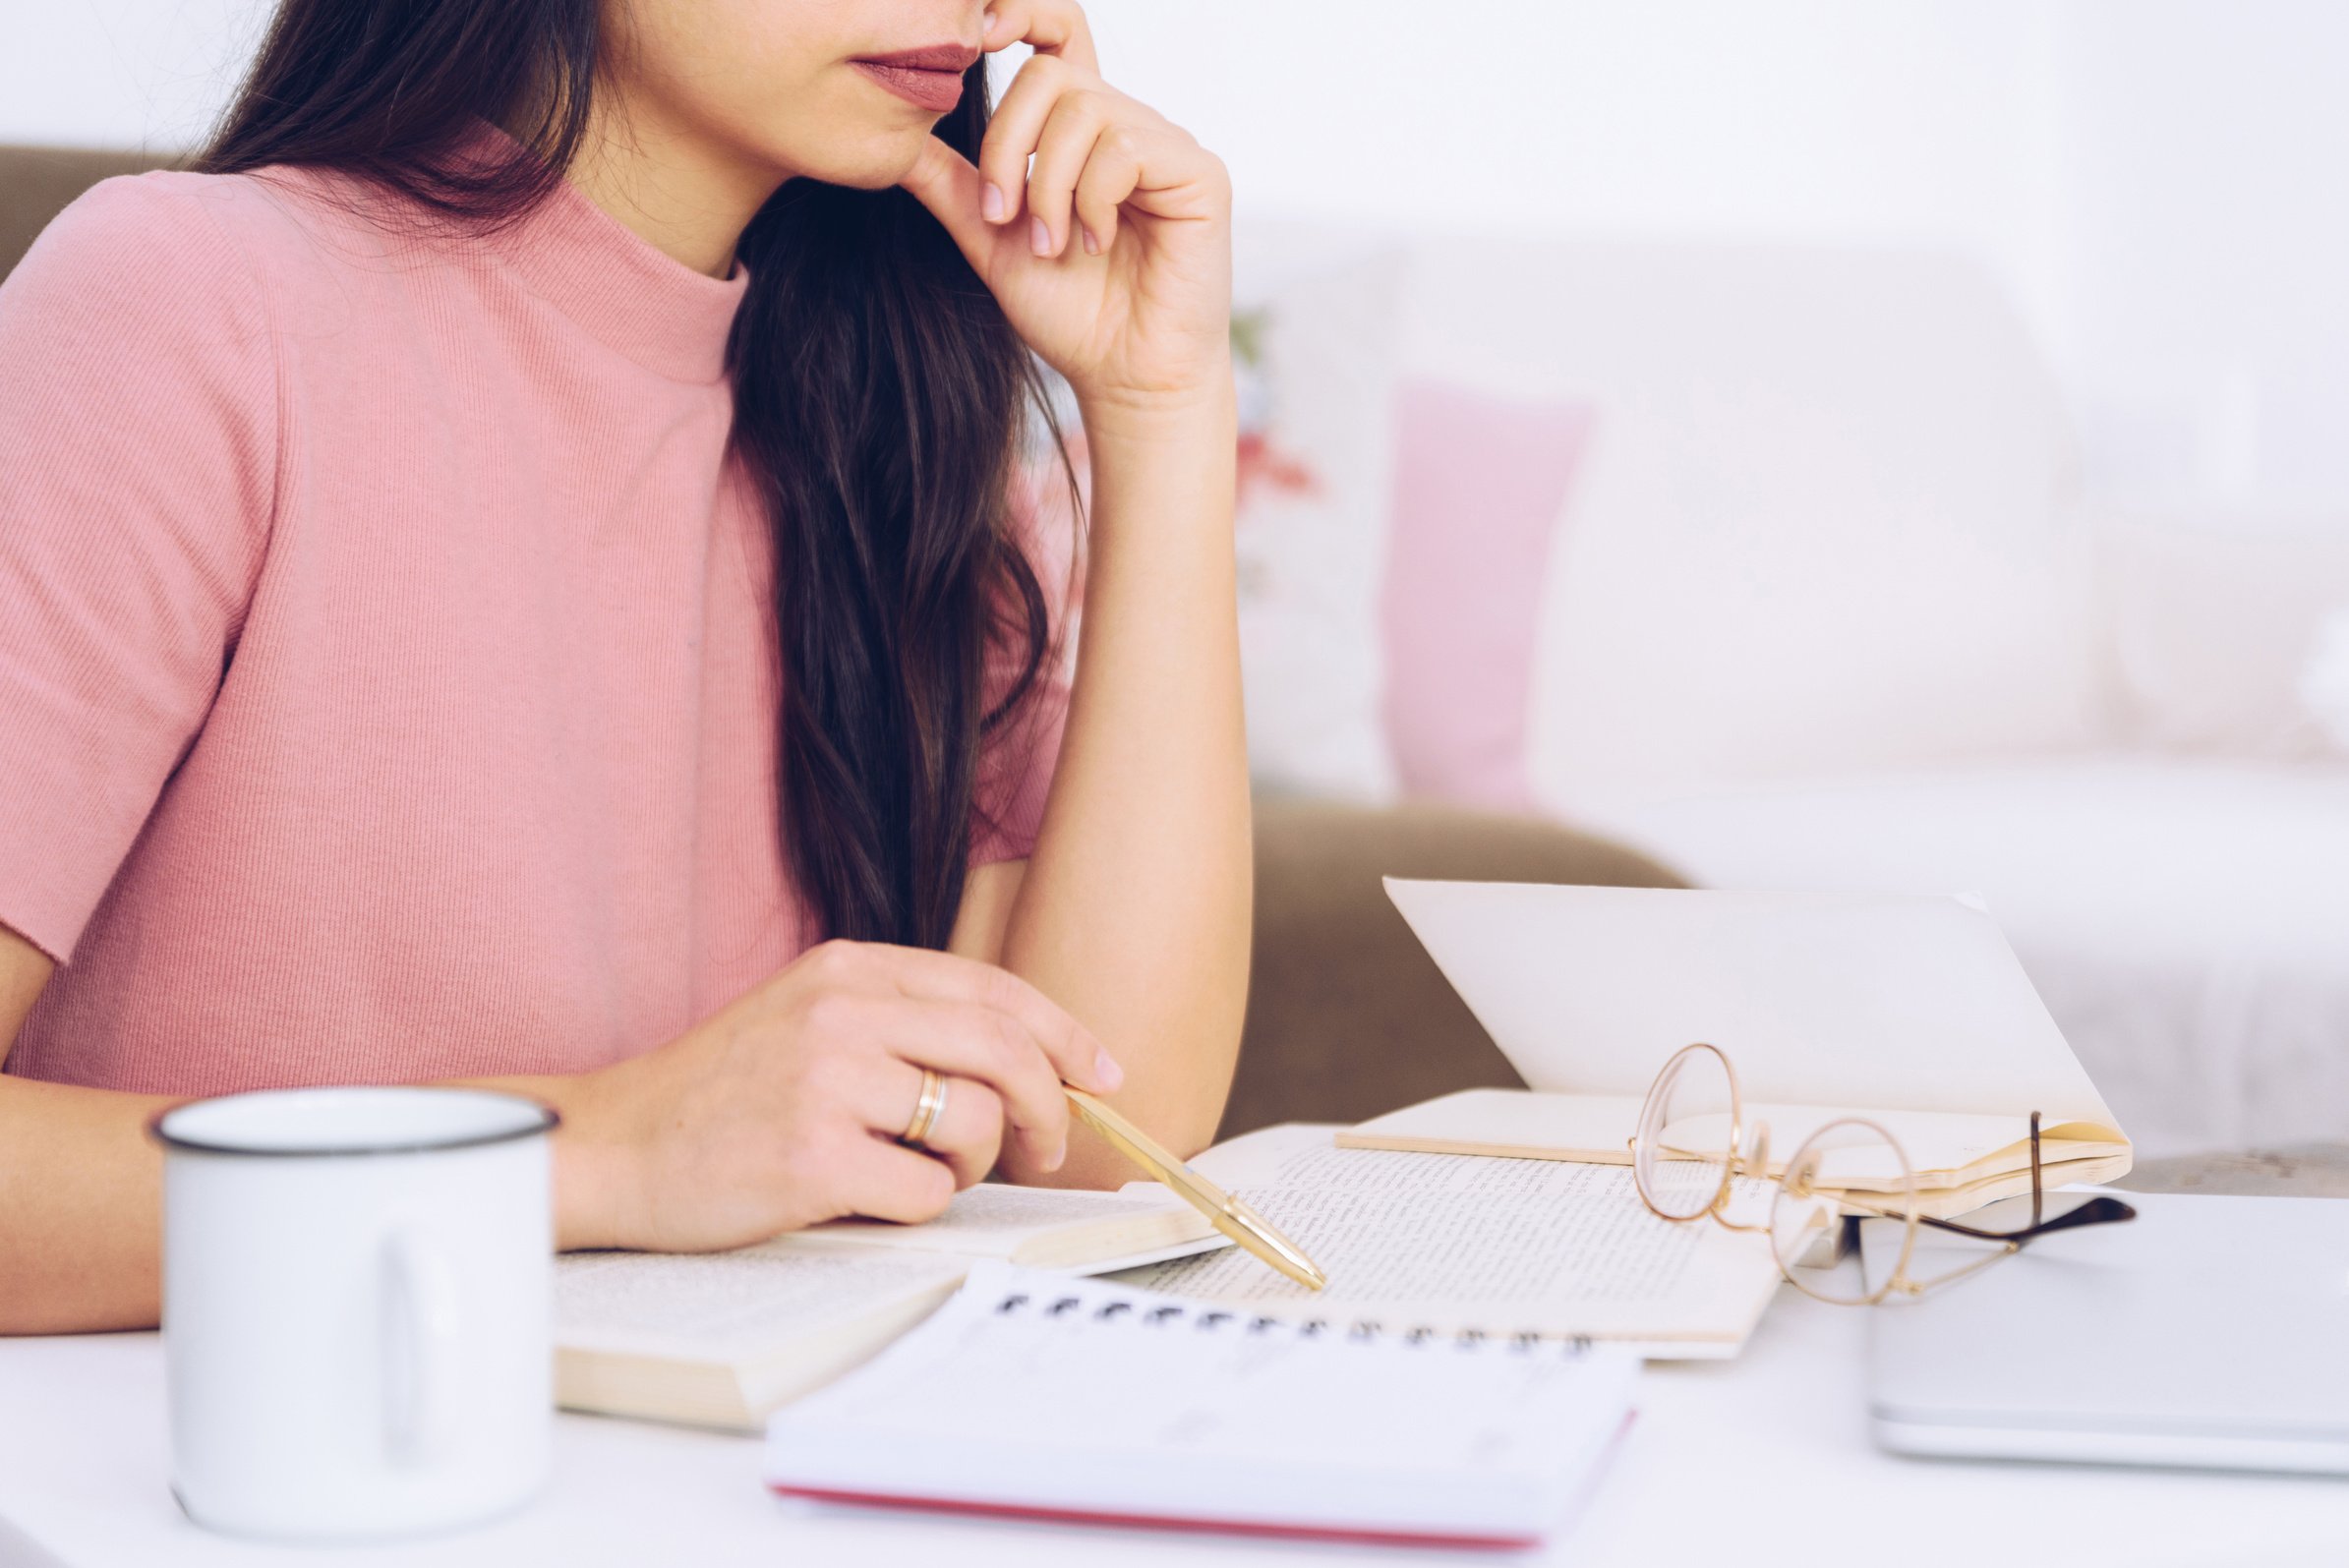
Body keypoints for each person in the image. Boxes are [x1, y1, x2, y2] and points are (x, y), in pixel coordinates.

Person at [0, 0, 1246, 1333]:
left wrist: (1160, 407)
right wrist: (602, 1152)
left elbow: (1099, 1156)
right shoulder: (188, 307)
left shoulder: (903, 436)